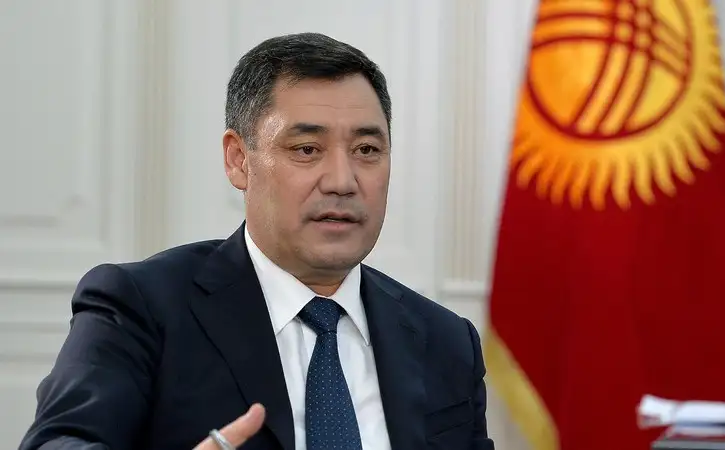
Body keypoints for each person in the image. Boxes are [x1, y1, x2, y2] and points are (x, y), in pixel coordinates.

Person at [18, 32, 494, 450]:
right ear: (238, 160)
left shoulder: (447, 341)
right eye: (306, 149)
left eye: (367, 150)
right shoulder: (141, 308)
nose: (342, 181)